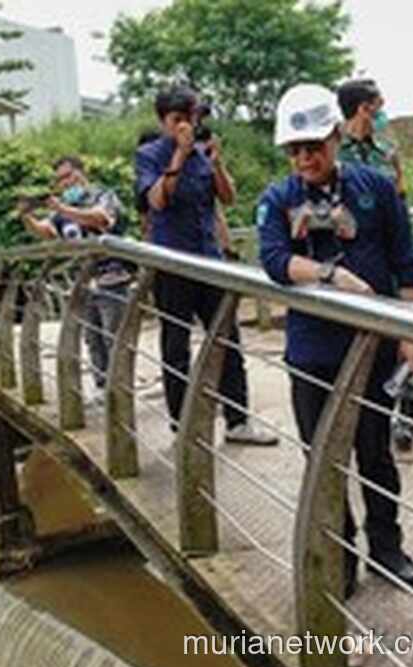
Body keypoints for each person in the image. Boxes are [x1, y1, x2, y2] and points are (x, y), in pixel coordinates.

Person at [257, 83, 413, 597]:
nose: (305, 158)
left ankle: (387, 549)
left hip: (373, 348)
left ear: (335, 137)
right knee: (323, 459)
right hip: (313, 352)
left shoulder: (374, 188)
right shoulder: (279, 198)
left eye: (314, 146)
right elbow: (272, 260)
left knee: (375, 454)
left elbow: (405, 260)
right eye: (295, 150)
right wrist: (331, 277)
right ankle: (339, 553)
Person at [135, 85, 277, 446]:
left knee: (227, 340)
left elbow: (227, 198)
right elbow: (157, 202)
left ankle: (237, 420)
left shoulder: (203, 152)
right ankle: (183, 425)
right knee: (176, 347)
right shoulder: (149, 155)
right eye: (177, 119)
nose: (186, 126)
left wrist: (216, 164)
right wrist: (179, 157)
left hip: (210, 262)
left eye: (191, 118)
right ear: (163, 120)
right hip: (173, 265)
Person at [335, 78, 413, 453]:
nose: (384, 113)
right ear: (364, 109)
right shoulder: (335, 151)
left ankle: (405, 416)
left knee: (407, 341)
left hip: (393, 260)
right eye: (378, 106)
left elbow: (400, 199)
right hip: (356, 267)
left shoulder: (386, 149)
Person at [19, 155, 129, 390]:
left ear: (81, 172)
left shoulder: (102, 195)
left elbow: (102, 218)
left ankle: (121, 391)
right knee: (93, 339)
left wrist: (62, 208)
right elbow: (47, 231)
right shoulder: (61, 212)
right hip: (83, 282)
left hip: (112, 278)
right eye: (60, 180)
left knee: (115, 339)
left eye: (68, 175)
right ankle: (103, 389)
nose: (65, 183)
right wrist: (26, 216)